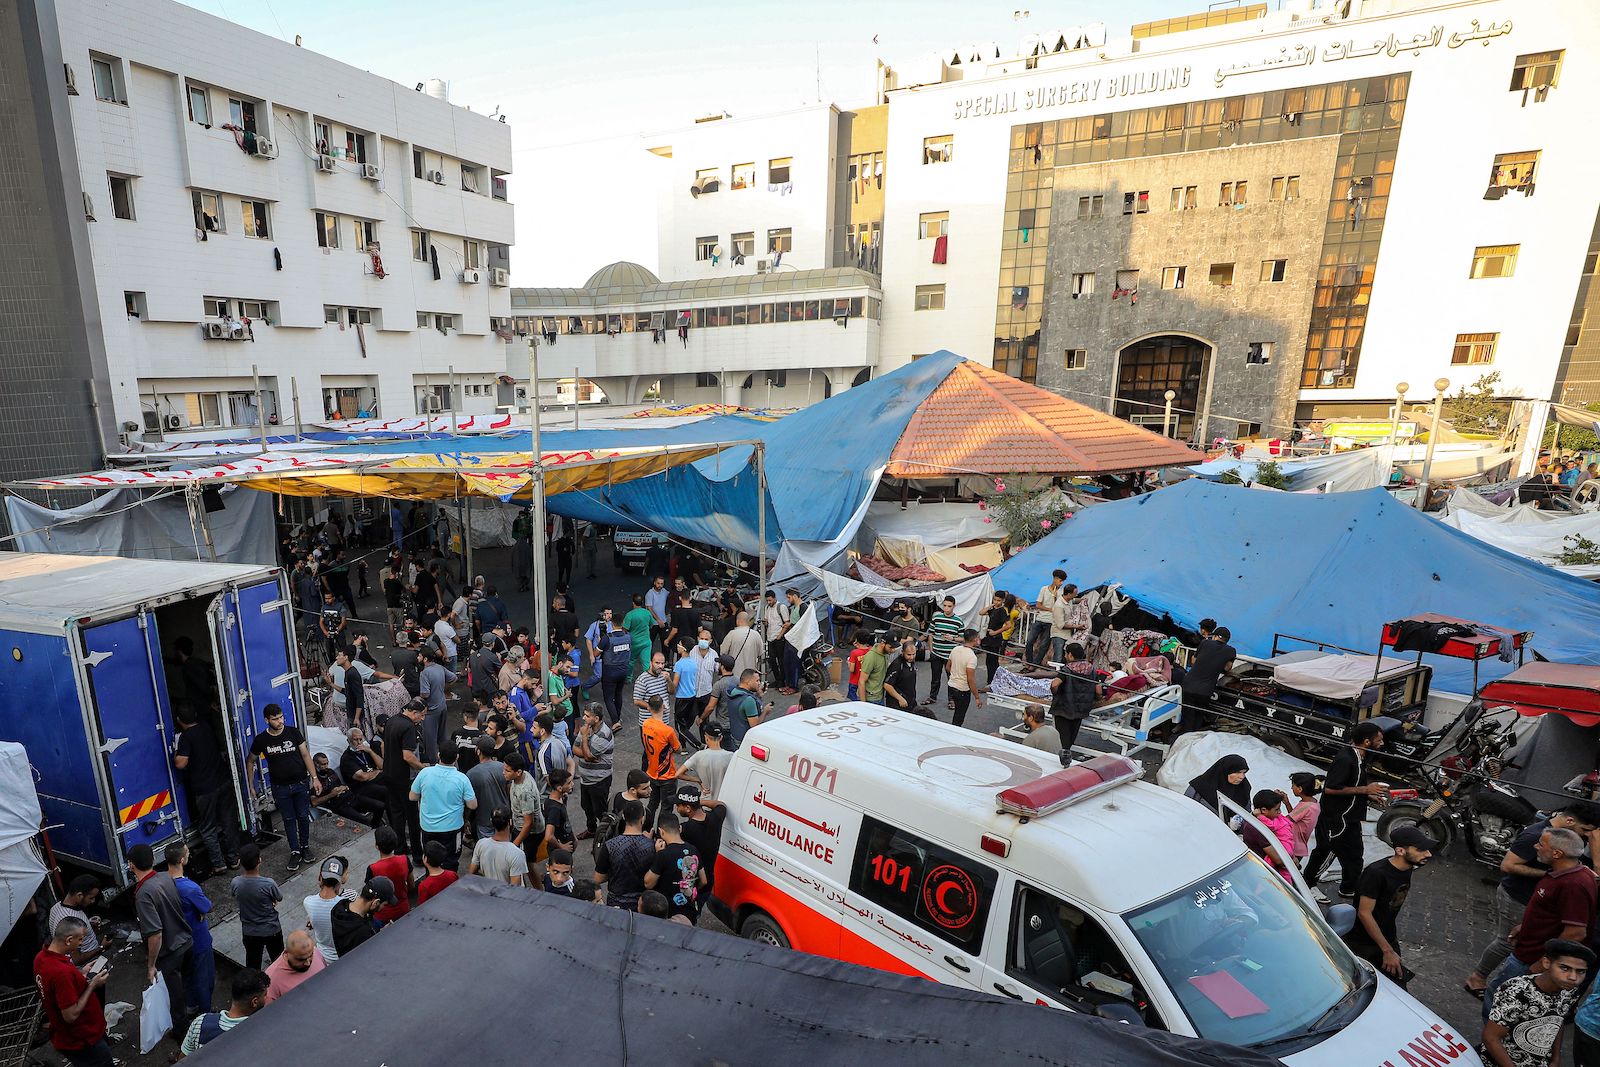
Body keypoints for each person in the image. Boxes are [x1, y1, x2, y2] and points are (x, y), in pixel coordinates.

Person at [1467, 801, 1600, 996]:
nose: (1587, 835)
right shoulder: (1537, 836)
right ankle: (1477, 978)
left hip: (1537, 905)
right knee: (1506, 942)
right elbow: (1508, 866)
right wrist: (1551, 873)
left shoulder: (1566, 857)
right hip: (1518, 897)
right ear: (1570, 821)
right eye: (1585, 830)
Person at [1343, 825, 1435, 987]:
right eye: (1421, 850)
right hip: (1363, 944)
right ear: (1400, 851)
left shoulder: (1407, 868)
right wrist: (1387, 951)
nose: (1428, 854)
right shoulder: (1376, 873)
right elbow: (1364, 913)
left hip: (1387, 936)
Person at [1306, 720, 1388, 899]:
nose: (1382, 744)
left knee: (1355, 855)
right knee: (1326, 851)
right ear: (1367, 742)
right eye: (1379, 740)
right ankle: (1308, 884)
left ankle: (1349, 887)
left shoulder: (1361, 757)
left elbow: (1352, 784)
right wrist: (1366, 790)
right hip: (1336, 819)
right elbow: (1330, 788)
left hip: (1351, 818)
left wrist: (1369, 796)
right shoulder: (1345, 759)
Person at [1484, 940, 1594, 1067]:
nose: (1573, 977)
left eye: (1580, 971)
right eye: (1565, 968)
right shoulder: (1517, 991)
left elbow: (1558, 1021)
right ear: (1546, 963)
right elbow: (1491, 1038)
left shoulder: (1570, 991)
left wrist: (1555, 1058)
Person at [129, 842, 193, 1041]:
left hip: (171, 952)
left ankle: (184, 1038)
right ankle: (193, 1018)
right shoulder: (166, 877)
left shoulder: (143, 894)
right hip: (186, 942)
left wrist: (151, 965)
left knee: (176, 998)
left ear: (131, 865)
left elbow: (155, 934)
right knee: (187, 988)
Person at [247, 703, 320, 872]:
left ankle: (305, 847)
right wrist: (250, 785)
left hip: (300, 783)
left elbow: (305, 755)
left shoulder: (293, 732)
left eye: (281, 717)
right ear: (267, 720)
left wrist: (315, 778)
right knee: (288, 819)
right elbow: (250, 760)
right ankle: (295, 851)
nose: (280, 721)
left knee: (303, 816)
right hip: (280, 787)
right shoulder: (261, 740)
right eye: (275, 719)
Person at [35, 915, 111, 1067]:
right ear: (69, 940)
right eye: (80, 939)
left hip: (65, 1036)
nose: (81, 943)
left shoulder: (41, 958)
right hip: (83, 1039)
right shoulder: (61, 973)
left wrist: (81, 973)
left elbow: (56, 990)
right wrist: (92, 985)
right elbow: (70, 1015)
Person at [173, 706, 237, 875]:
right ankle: (233, 858)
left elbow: (181, 763)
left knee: (208, 828)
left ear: (179, 720)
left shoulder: (186, 737)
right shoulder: (206, 728)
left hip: (204, 789)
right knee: (228, 821)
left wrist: (175, 753)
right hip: (222, 781)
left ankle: (219, 863)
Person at [410, 743, 477, 872]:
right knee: (451, 861)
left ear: (438, 755)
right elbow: (472, 804)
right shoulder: (462, 779)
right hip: (453, 828)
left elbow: (412, 796)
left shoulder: (425, 773)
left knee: (430, 860)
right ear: (457, 757)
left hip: (428, 827)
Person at [178, 967, 270, 1057]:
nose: (267, 997)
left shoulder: (200, 1023)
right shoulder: (259, 1034)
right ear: (255, 1002)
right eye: (265, 995)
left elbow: (183, 1059)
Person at [167, 844, 215, 1016]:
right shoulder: (190, 888)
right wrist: (200, 911)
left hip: (178, 940)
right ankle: (205, 1013)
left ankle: (190, 1006)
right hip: (198, 940)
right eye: (187, 853)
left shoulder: (164, 884)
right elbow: (208, 906)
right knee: (204, 979)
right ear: (181, 860)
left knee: (187, 976)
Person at [381, 699, 428, 865]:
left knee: (396, 816)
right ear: (414, 713)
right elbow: (407, 756)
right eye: (422, 715)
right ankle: (417, 855)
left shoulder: (392, 720)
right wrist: (423, 767)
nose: (422, 719)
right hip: (403, 778)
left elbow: (385, 746)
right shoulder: (408, 727)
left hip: (388, 774)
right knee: (413, 818)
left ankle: (400, 849)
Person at [230, 843, 283, 969]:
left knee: (253, 964)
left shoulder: (236, 882)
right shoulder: (268, 884)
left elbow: (235, 894)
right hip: (271, 929)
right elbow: (279, 897)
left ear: (241, 863)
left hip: (249, 931)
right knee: (279, 962)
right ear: (259, 860)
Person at [594, 799, 655, 910]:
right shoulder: (652, 846)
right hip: (643, 902)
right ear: (642, 819)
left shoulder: (610, 845)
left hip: (616, 902)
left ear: (624, 817)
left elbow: (598, 878)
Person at [644, 812, 705, 921]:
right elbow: (704, 881)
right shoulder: (694, 850)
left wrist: (657, 854)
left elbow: (648, 883)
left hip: (669, 913)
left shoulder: (663, 854)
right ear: (680, 829)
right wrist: (689, 887)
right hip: (689, 913)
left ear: (661, 831)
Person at [1179, 625, 1238, 734]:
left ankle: (1185, 738)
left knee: (1187, 715)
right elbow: (1227, 668)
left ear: (1215, 636)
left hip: (1189, 685)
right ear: (1227, 640)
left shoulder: (1205, 643)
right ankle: (1194, 739)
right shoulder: (1231, 651)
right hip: (1206, 690)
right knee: (1199, 715)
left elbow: (1193, 661)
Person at [676, 783, 728, 904]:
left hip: (689, 882)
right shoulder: (716, 818)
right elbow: (721, 805)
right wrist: (699, 803)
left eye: (678, 806)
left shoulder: (685, 829)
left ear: (688, 808)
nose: (677, 809)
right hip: (708, 882)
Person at [1047, 643, 1099, 761]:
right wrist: (1097, 698)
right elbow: (1098, 689)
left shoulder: (1067, 669)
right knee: (1072, 733)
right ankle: (1067, 753)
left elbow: (1055, 684)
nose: (1065, 656)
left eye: (1066, 653)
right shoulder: (1091, 669)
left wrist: (1055, 692)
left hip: (1065, 706)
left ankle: (1064, 756)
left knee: (1063, 734)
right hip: (1081, 707)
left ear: (1070, 655)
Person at [573, 704, 615, 840]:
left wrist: (585, 738)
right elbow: (575, 749)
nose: (584, 718)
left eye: (587, 716)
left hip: (599, 780)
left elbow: (588, 756)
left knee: (600, 811)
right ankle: (591, 830)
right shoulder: (586, 728)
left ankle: (606, 835)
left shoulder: (604, 734)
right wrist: (586, 753)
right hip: (586, 779)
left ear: (596, 718)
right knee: (586, 806)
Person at [330, 877, 398, 957]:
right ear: (375, 903)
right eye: (384, 904)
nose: (383, 908)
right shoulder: (363, 933)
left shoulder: (339, 907)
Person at [47, 876, 104, 970]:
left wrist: (88, 926)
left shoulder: (55, 908)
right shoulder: (72, 920)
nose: (93, 901)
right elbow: (77, 959)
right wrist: (102, 947)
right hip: (87, 968)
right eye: (91, 898)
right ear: (79, 895)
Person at [504, 753, 547, 874]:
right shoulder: (524, 775)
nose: (504, 773)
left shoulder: (524, 792)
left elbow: (528, 823)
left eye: (507, 771)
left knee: (529, 863)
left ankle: (538, 889)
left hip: (530, 832)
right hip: (520, 825)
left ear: (518, 772)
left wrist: (515, 843)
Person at [641, 696, 681, 826]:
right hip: (667, 775)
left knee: (652, 804)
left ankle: (647, 829)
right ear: (663, 707)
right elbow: (678, 749)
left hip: (651, 772)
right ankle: (661, 835)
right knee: (666, 808)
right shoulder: (667, 731)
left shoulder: (646, 724)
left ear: (648, 708)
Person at [303, 856, 349, 962]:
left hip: (320, 957)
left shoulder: (308, 902)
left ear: (320, 878)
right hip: (343, 955)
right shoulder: (346, 904)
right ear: (339, 883)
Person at [366, 825, 413, 926]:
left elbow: (369, 896)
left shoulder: (373, 868)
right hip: (404, 909)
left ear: (377, 846)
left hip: (382, 916)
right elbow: (411, 885)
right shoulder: (404, 859)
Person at [263, 929, 325, 1004]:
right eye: (301, 959)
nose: (308, 963)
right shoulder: (271, 978)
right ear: (286, 953)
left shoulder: (314, 951)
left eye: (311, 955)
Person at [417, 646, 457, 762]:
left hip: (431, 711)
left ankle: (433, 763)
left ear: (425, 659)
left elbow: (425, 694)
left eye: (419, 656)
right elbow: (453, 677)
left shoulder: (424, 673)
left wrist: (417, 698)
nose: (418, 657)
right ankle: (446, 759)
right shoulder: (439, 667)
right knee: (442, 736)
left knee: (430, 741)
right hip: (442, 706)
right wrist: (444, 689)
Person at [466, 738, 510, 844]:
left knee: (487, 853)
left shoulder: (472, 774)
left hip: (484, 821)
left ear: (478, 751)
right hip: (504, 818)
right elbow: (509, 791)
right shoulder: (503, 767)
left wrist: (466, 819)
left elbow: (469, 801)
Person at [469, 809, 529, 886]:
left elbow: (471, 874)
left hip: (489, 893)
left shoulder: (481, 844)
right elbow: (515, 890)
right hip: (505, 896)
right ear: (510, 822)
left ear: (491, 822)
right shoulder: (517, 853)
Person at [339, 727, 389, 816]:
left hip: (374, 781)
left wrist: (370, 751)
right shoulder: (347, 758)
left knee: (395, 781)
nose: (359, 742)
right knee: (386, 792)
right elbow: (363, 777)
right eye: (355, 740)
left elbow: (382, 766)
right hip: (360, 787)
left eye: (360, 739)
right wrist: (377, 772)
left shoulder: (366, 750)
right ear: (349, 741)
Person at [1184, 755, 1251, 819]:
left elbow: (1247, 815)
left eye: (1244, 773)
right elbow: (1183, 807)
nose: (1241, 777)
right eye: (1237, 772)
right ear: (1226, 770)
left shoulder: (1244, 789)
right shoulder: (1200, 785)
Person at [680, 721, 732, 801]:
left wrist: (698, 780)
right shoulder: (731, 756)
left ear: (706, 737)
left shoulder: (698, 755)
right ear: (721, 738)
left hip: (705, 802)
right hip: (723, 803)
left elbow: (678, 774)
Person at [926, 597, 963, 705]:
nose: (946, 608)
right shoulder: (937, 618)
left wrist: (953, 638)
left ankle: (951, 700)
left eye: (949, 606)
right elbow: (931, 634)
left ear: (954, 606)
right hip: (936, 653)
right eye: (945, 606)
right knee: (935, 677)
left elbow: (962, 638)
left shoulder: (958, 621)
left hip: (950, 655)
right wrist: (931, 649)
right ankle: (932, 697)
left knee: (951, 678)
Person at [1027, 568, 1067, 665]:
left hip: (1051, 622)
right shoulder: (1044, 589)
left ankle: (1035, 664)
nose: (1061, 583)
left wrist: (1055, 598)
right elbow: (1038, 605)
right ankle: (1029, 662)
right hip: (1040, 619)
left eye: (1063, 581)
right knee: (1029, 641)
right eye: (1060, 580)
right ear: (1055, 579)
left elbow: (1058, 607)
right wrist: (1050, 609)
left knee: (1044, 645)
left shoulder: (1061, 593)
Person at [947, 628, 984, 727]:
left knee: (957, 714)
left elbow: (948, 667)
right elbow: (970, 679)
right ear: (975, 640)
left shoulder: (955, 649)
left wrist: (955, 675)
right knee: (959, 716)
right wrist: (977, 697)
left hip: (951, 685)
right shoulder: (972, 657)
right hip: (962, 690)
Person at [1284, 772, 1322, 868]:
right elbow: (1295, 818)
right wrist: (1287, 803)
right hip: (1299, 847)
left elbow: (1285, 821)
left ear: (1300, 789)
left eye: (1293, 785)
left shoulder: (1305, 806)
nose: (1291, 788)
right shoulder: (1313, 803)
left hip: (1293, 847)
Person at [725, 668, 767, 751]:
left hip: (735, 736)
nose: (759, 684)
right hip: (746, 741)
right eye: (757, 681)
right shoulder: (749, 700)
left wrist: (758, 696)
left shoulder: (733, 691)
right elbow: (754, 725)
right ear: (748, 681)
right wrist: (765, 711)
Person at [720, 610, 763, 684]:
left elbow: (723, 652)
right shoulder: (756, 635)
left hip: (735, 674)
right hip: (751, 674)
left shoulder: (732, 634)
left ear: (737, 621)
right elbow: (760, 653)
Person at [632, 652, 672, 733]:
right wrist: (655, 709)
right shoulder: (642, 680)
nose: (660, 666)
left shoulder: (664, 676)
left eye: (662, 663)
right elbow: (637, 701)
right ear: (650, 663)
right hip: (649, 725)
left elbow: (672, 692)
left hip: (664, 722)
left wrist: (669, 680)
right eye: (657, 663)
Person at [779, 588, 807, 693]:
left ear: (794, 596)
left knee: (794, 664)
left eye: (789, 597)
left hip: (797, 640)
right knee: (787, 662)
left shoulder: (803, 607)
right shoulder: (794, 607)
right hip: (790, 638)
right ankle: (788, 683)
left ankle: (794, 686)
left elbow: (804, 624)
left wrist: (791, 625)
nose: (788, 599)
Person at [612, 769, 655, 834]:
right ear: (633, 790)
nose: (650, 790)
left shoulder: (613, 798)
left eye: (649, 786)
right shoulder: (644, 813)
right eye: (645, 788)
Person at [883, 640, 919, 712]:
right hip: (897, 703)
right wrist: (900, 698)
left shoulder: (911, 662)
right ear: (902, 652)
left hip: (910, 700)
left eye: (913, 654)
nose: (911, 657)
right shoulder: (897, 665)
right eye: (908, 655)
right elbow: (887, 685)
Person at [982, 592, 1010, 682]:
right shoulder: (993, 609)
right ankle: (993, 680)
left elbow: (1008, 625)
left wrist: (995, 632)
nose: (996, 602)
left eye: (999, 600)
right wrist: (991, 605)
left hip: (996, 638)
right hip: (989, 638)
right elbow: (981, 612)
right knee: (989, 661)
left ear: (1003, 601)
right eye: (995, 599)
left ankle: (993, 681)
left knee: (993, 661)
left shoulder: (1002, 611)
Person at [859, 632, 890, 706]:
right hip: (871, 699)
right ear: (883, 644)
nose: (893, 650)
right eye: (890, 647)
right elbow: (861, 681)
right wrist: (863, 705)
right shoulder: (871, 657)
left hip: (880, 696)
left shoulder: (885, 654)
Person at [317, 590, 348, 660]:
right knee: (329, 651)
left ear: (333, 598)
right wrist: (325, 632)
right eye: (326, 598)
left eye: (329, 598)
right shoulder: (324, 608)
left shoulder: (340, 607)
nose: (327, 600)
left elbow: (343, 622)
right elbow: (321, 621)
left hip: (339, 633)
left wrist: (337, 630)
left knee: (342, 650)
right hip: (328, 632)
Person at [844, 631, 871, 700]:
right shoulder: (871, 650)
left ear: (856, 640)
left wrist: (848, 662)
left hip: (854, 680)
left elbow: (851, 669)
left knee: (852, 696)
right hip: (866, 678)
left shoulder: (854, 653)